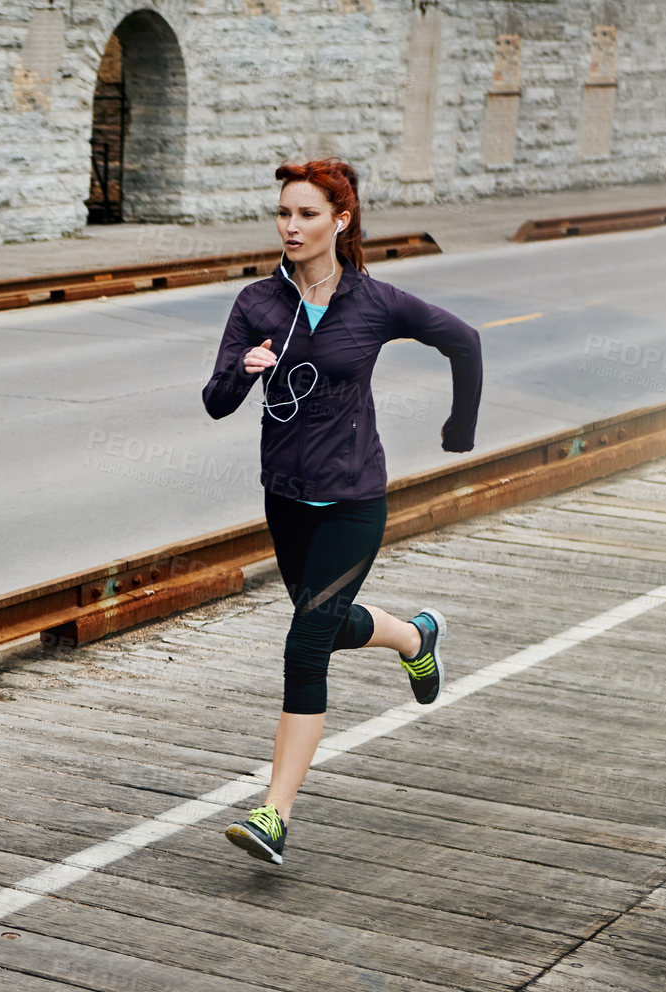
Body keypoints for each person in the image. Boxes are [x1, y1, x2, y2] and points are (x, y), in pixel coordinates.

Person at [201, 157, 482, 865]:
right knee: (320, 627)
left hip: (355, 501)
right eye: (284, 214)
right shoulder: (256, 305)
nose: (291, 227)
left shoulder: (375, 302)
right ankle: (416, 638)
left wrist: (460, 432)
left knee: (303, 645)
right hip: (286, 499)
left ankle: (274, 815)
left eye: (306, 215)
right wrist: (244, 370)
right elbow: (215, 402)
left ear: (341, 220)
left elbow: (464, 341)